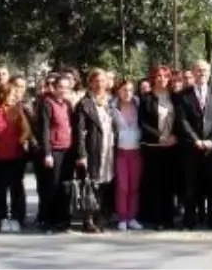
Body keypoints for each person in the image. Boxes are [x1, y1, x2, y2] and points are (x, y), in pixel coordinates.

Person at [177, 60, 212, 230]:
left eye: (204, 70)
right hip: (192, 147)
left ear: (209, 73)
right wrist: (195, 139)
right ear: (193, 73)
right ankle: (189, 219)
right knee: (191, 186)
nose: (201, 73)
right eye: (198, 70)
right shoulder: (183, 95)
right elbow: (182, 120)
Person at [0, 82, 31, 232]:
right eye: (9, 94)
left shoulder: (17, 110)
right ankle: (1, 217)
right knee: (0, 189)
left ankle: (17, 217)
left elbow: (26, 130)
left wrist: (19, 141)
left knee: (17, 188)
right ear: (1, 95)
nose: (12, 97)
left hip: (16, 155)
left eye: (13, 94)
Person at [75, 69, 117, 234]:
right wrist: (81, 153)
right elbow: (79, 131)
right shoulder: (84, 104)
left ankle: (102, 216)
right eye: (96, 81)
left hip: (109, 147)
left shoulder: (111, 102)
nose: (100, 84)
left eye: (103, 81)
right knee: (90, 183)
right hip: (93, 148)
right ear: (91, 83)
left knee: (105, 183)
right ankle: (88, 219)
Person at [138, 66, 180, 231]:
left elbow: (181, 119)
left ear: (169, 79)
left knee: (169, 183)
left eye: (165, 76)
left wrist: (175, 136)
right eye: (158, 76)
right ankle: (158, 219)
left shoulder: (175, 98)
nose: (161, 78)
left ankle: (170, 217)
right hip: (154, 147)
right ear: (153, 78)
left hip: (172, 146)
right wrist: (159, 137)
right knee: (156, 183)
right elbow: (143, 123)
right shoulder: (146, 98)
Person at [35, 72, 76, 233]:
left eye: (66, 88)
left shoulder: (67, 104)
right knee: (52, 186)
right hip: (54, 150)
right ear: (54, 88)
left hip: (68, 150)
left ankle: (64, 221)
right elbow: (44, 129)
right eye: (60, 87)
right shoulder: (47, 103)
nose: (62, 91)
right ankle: (49, 221)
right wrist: (47, 153)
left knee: (65, 187)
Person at [111, 78, 143, 231]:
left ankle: (132, 217)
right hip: (120, 151)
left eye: (130, 90)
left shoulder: (139, 104)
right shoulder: (112, 107)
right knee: (123, 186)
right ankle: (122, 217)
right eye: (124, 90)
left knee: (134, 186)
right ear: (119, 91)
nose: (128, 93)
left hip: (136, 151)